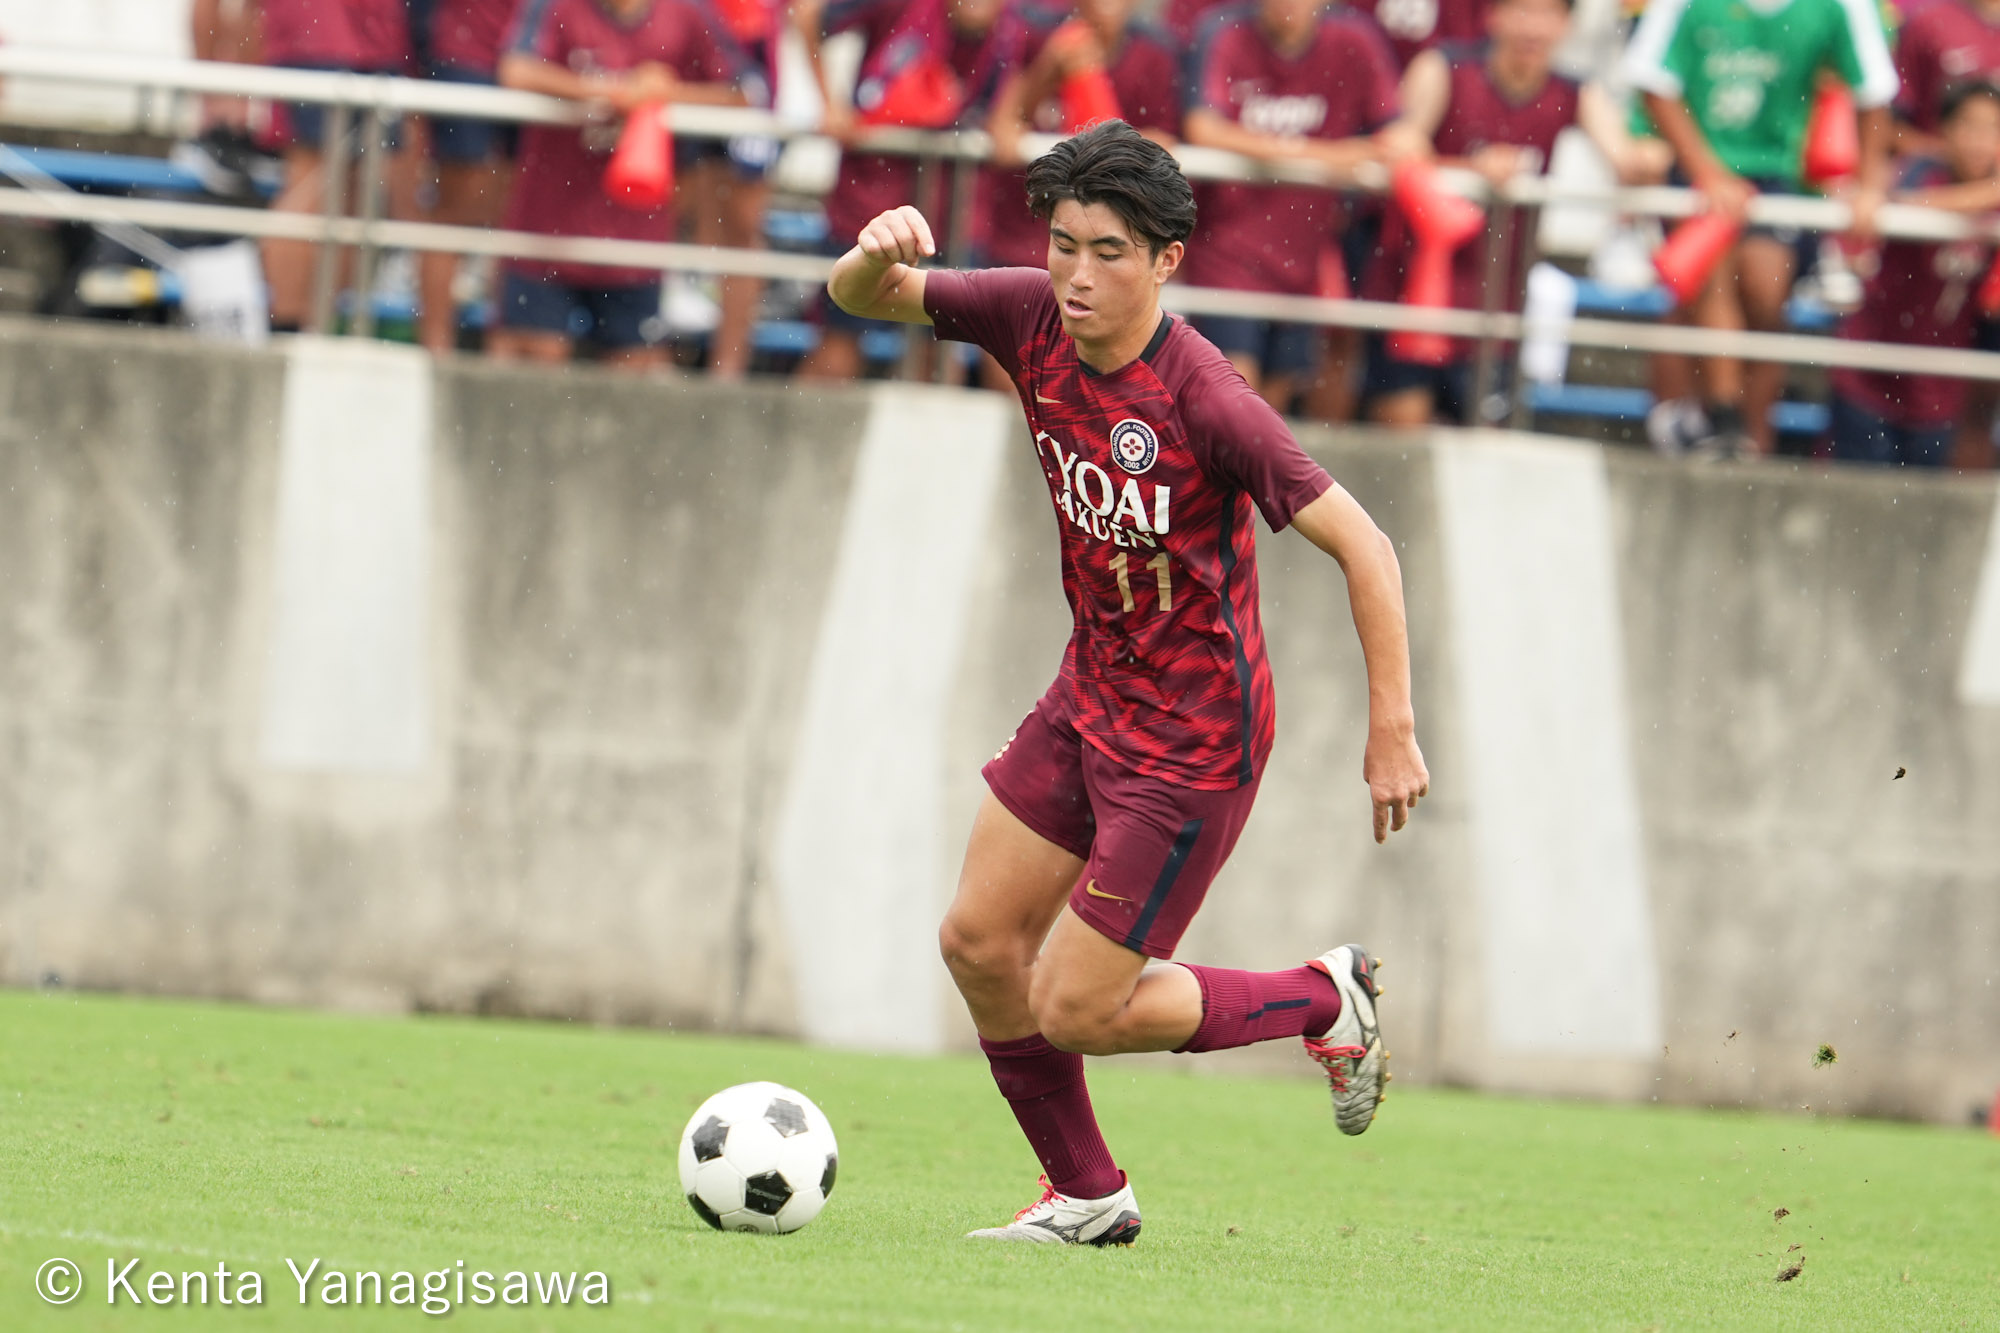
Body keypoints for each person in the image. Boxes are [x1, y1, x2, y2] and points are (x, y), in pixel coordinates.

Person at [824, 120, 1430, 1243]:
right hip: (1088, 694)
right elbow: (862, 298)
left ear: (1165, 261)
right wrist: (873, 254)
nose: (1076, 275)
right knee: (976, 942)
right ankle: (1088, 1197)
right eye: (1062, 245)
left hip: (1191, 742)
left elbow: (1367, 547)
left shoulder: (1207, 400)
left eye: (1107, 251)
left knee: (1074, 1004)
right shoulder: (1024, 313)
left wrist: (1390, 726)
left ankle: (1321, 996)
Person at [1363, 0, 1670, 425]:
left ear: (1566, 25)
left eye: (1548, 14)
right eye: (1524, 10)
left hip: (1499, 300)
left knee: (1483, 434)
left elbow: (1626, 159)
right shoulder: (1444, 68)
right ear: (1494, 16)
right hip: (1418, 286)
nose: (1535, 27)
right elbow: (1396, 145)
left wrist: (1653, 155)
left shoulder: (1574, 91)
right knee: (1400, 429)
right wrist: (1473, 169)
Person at [1623, 0, 1898, 455]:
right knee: (1709, 279)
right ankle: (1722, 417)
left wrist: (1870, 186)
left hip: (1780, 175)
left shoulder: (1843, 8)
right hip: (1697, 170)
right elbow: (1652, 82)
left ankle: (1738, 433)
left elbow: (1874, 89)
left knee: (1763, 293)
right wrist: (1707, 171)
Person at [492, 0, 762, 367]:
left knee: (634, 373)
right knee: (529, 368)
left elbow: (742, 92)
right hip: (547, 236)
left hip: (637, 243)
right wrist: (609, 91)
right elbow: (516, 70)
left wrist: (665, 94)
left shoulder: (687, 13)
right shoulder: (556, 7)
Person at [1182, 0, 1402, 415]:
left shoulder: (1354, 40)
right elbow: (1202, 128)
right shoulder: (1225, 32)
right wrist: (1325, 156)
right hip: (1229, 254)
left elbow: (1397, 133)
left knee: (1273, 410)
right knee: (1235, 403)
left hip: (1304, 258)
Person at [793, 0, 1014, 380]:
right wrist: (830, 105)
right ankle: (797, 440)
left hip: (953, 212)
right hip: (868, 202)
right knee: (841, 336)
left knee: (947, 348)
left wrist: (1009, 115)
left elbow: (1052, 61)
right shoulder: (900, 6)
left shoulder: (1013, 27)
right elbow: (807, 12)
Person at [1828, 79, 2000, 464]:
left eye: (1992, 128)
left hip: (1938, 391)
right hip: (1869, 373)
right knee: (1857, 509)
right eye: (1968, 125)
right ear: (1945, 131)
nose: (1979, 140)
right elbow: (1898, 202)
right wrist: (1986, 196)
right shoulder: (1919, 170)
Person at [258, 0, 416, 331]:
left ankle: (314, 329)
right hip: (315, 32)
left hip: (376, 33)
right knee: (316, 181)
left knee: (352, 190)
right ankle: (287, 331)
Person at [408, 0, 525, 354]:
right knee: (454, 210)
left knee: (516, 211)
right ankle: (436, 346)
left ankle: (501, 348)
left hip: (532, 56)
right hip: (469, 54)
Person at [678, 0, 783, 378]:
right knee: (679, 201)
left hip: (747, 63)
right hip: (685, 47)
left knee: (741, 226)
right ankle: (670, 347)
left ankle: (728, 367)